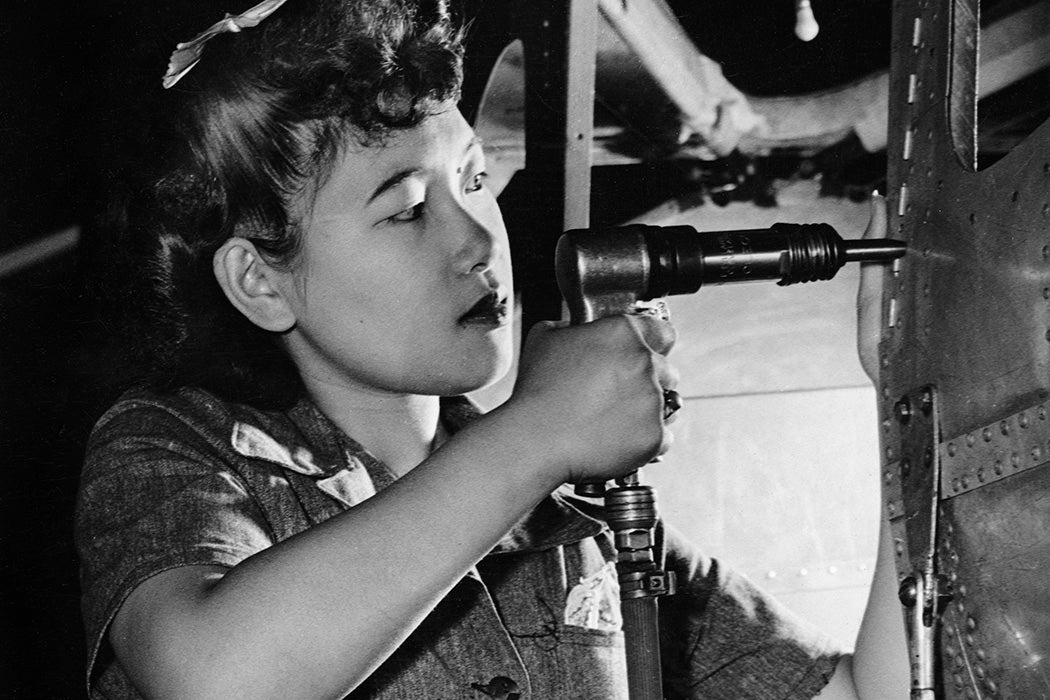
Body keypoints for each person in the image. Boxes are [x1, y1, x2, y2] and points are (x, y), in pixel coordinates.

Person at [74, 0, 908, 697]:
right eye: (406, 210)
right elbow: (219, 680)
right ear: (260, 282)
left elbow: (873, 693)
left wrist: (906, 380)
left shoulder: (577, 518)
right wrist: (540, 434)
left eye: (474, 181)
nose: (479, 238)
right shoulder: (170, 449)